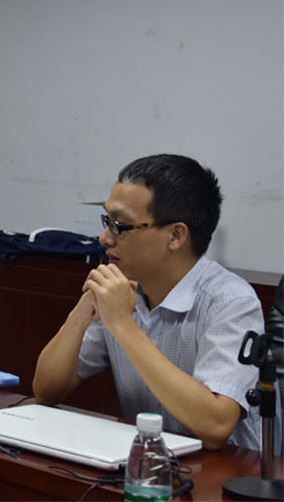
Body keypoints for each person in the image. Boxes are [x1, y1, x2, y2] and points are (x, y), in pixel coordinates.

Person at [33, 154, 262, 450]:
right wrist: (81, 314)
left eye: (120, 225)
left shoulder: (231, 301)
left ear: (176, 235)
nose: (104, 238)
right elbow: (46, 391)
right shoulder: (125, 289)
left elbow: (216, 425)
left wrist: (122, 324)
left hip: (226, 472)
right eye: (107, 221)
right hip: (147, 463)